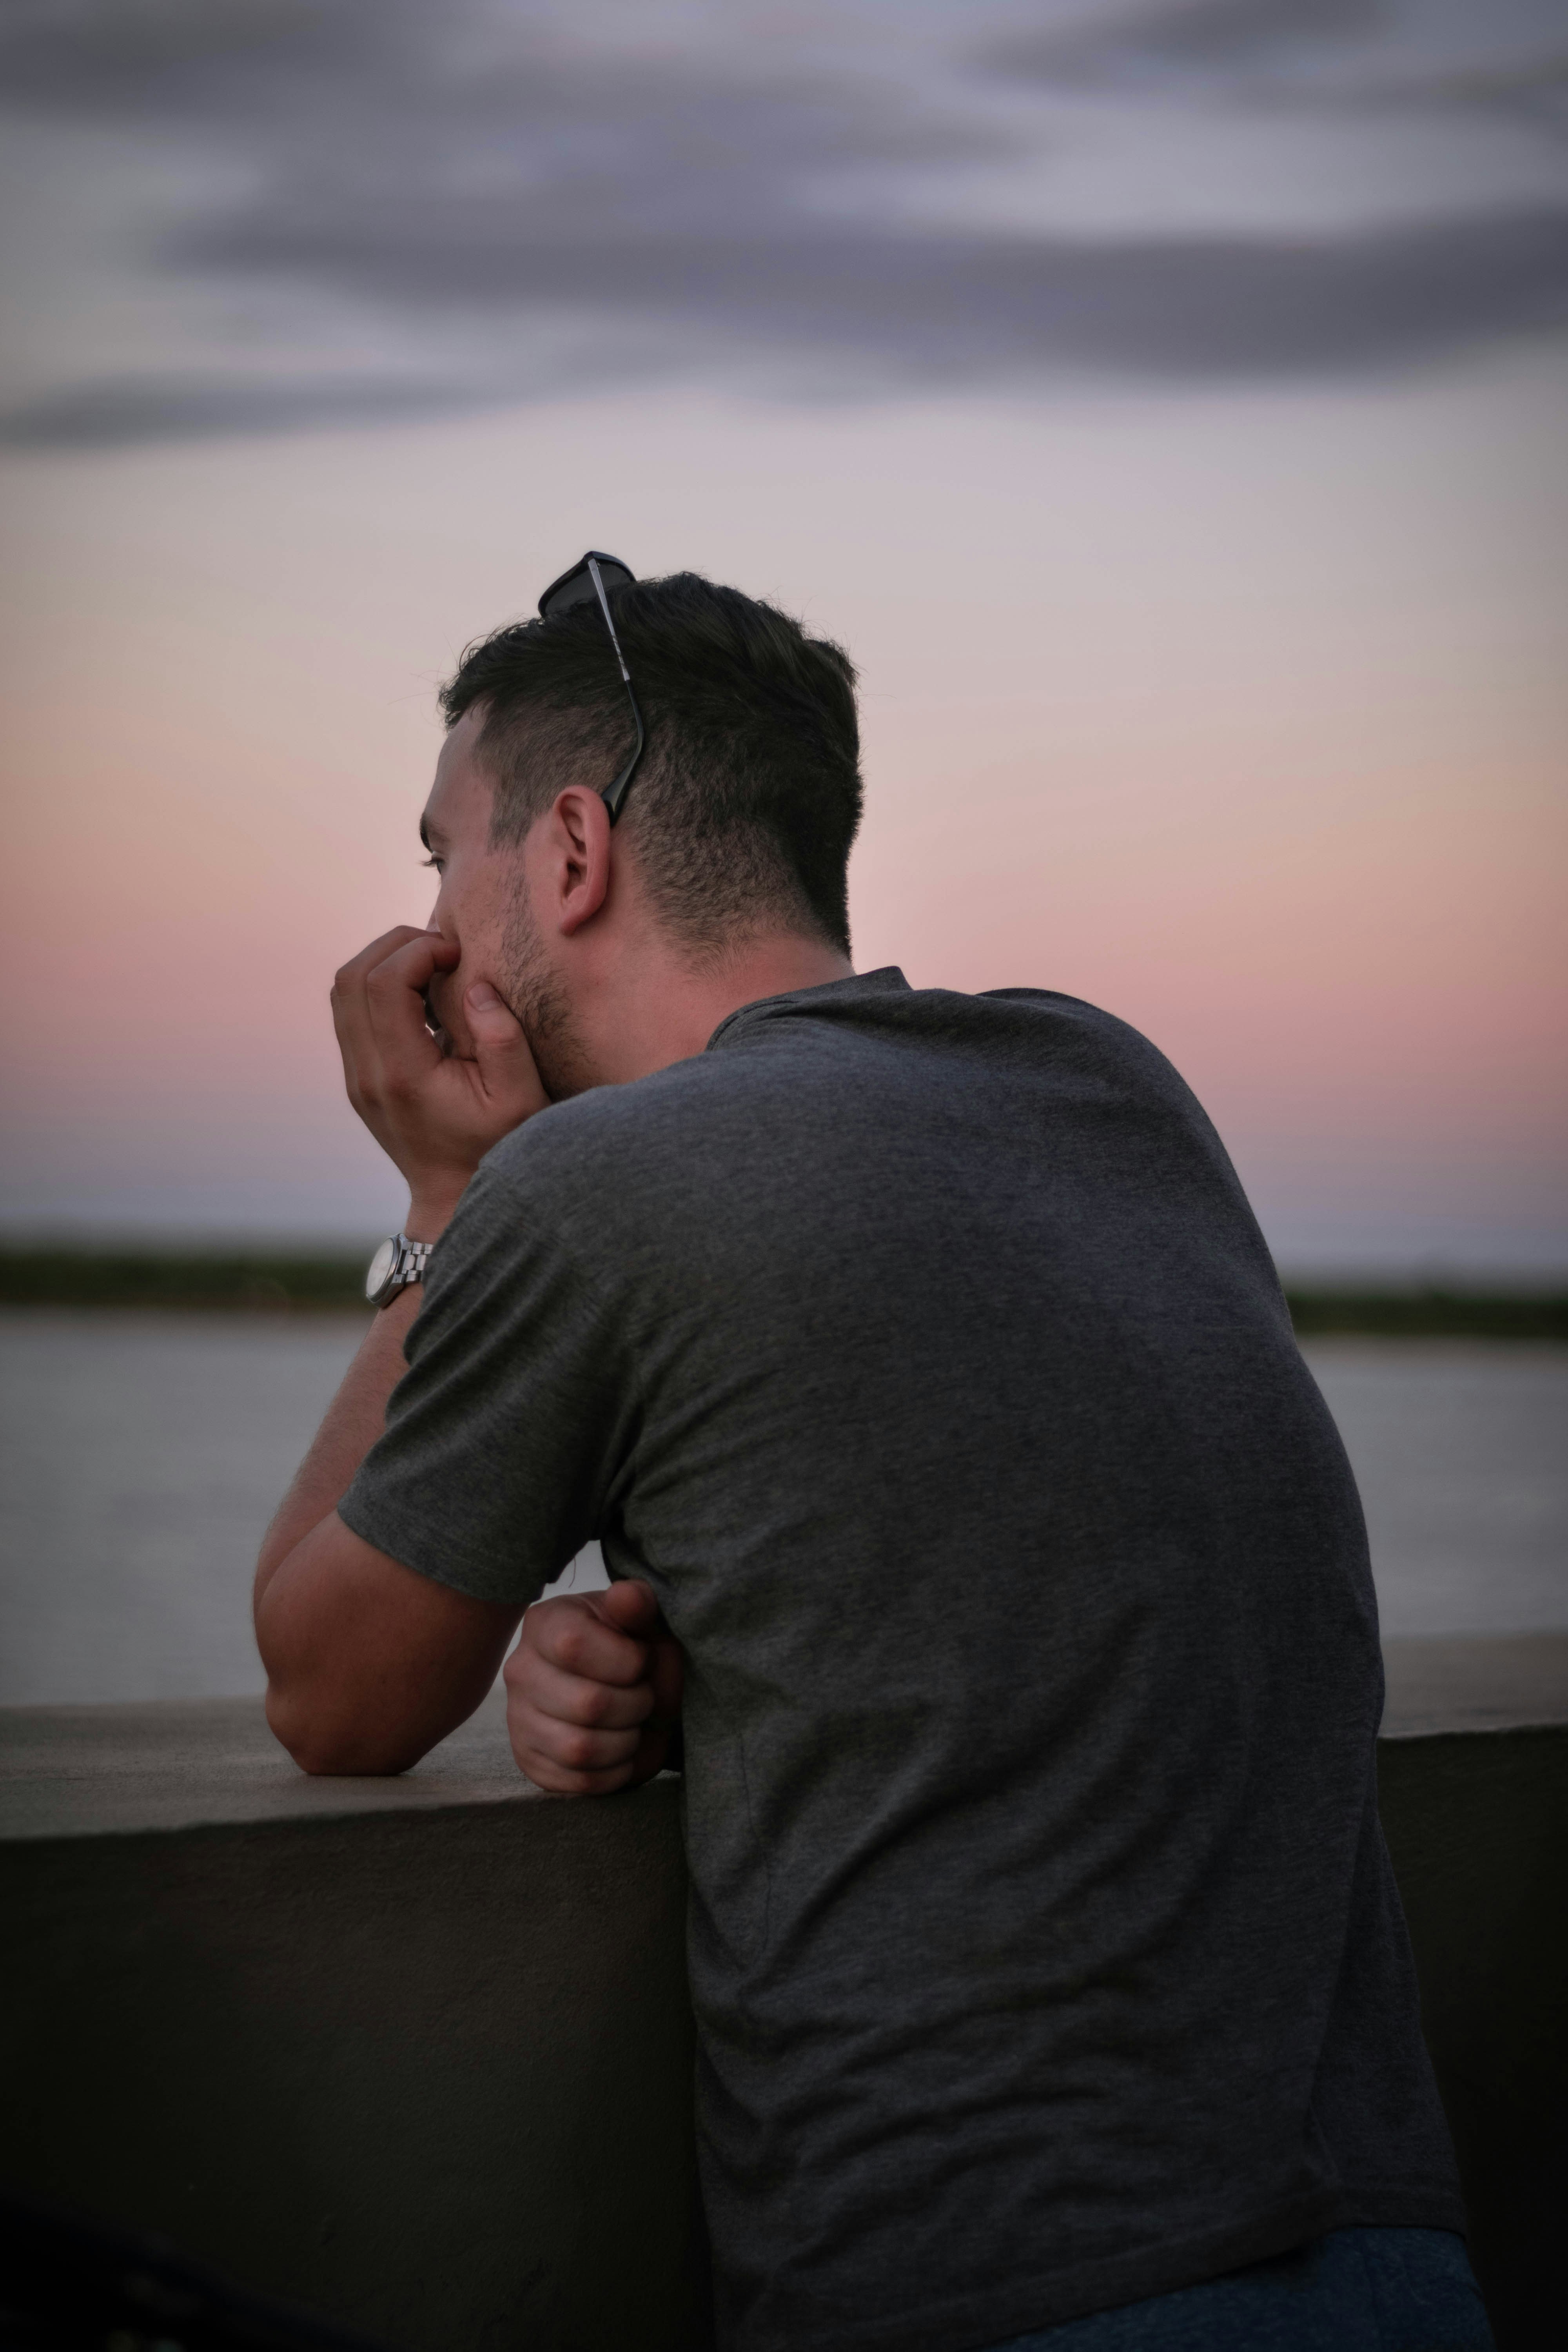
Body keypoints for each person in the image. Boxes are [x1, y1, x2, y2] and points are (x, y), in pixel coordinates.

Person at [255, 557, 1490, 2352]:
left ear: (573, 852)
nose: (429, 925)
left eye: (444, 855)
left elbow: (328, 1693)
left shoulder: (594, 1185)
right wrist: (715, 1657)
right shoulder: (1111, 1088)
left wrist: (450, 1198)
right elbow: (1001, 1538)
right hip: (1393, 2267)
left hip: (994, 2284)